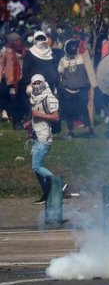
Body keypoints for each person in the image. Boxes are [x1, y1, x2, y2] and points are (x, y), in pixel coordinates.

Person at [27, 74, 63, 204]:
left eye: (39, 82)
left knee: (36, 166)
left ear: (43, 82)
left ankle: (57, 184)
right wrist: (30, 123)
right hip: (37, 135)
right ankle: (47, 193)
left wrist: (38, 115)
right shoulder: (35, 97)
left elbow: (56, 117)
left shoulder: (49, 97)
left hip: (44, 136)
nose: (36, 85)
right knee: (37, 169)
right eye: (34, 83)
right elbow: (36, 115)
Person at [58, 39, 96, 138]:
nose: (73, 48)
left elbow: (89, 60)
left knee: (83, 110)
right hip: (68, 90)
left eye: (75, 46)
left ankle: (89, 130)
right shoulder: (63, 61)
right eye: (71, 47)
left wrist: (86, 49)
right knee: (69, 112)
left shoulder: (82, 58)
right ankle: (71, 131)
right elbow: (60, 73)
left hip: (81, 89)